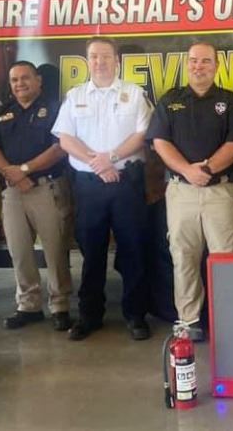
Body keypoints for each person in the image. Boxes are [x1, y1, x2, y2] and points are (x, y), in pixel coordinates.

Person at [52, 37, 152, 341]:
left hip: (126, 184)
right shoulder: (76, 95)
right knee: (91, 251)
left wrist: (111, 158)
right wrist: (97, 163)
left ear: (116, 60)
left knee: (133, 249)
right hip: (89, 186)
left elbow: (142, 135)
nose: (99, 62)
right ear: (87, 60)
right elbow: (65, 138)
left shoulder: (134, 94)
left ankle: (135, 315)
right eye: (93, 56)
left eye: (105, 56)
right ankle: (89, 315)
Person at [147, 41, 233, 341]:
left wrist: (206, 170)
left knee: (226, 258)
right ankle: (188, 321)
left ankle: (228, 320)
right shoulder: (170, 101)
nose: (198, 66)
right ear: (186, 64)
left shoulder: (231, 102)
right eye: (193, 61)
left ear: (216, 66)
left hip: (221, 192)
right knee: (184, 257)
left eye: (205, 61)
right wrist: (188, 170)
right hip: (181, 192)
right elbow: (160, 142)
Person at [0, 61, 74, 331]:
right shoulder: (4, 113)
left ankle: (60, 306)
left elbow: (60, 147)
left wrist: (25, 170)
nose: (20, 84)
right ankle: (29, 305)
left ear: (38, 81)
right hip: (13, 193)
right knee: (20, 251)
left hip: (47, 188)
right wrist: (12, 174)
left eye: (25, 78)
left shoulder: (56, 110)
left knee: (55, 250)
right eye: (14, 80)